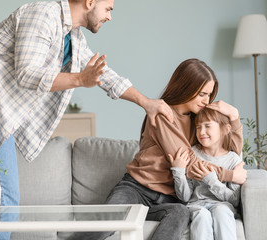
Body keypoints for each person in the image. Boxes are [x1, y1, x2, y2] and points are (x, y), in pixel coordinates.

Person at [0, 1, 173, 240]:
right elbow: (27, 72)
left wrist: (146, 103)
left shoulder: (73, 38)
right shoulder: (43, 14)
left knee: (7, 198)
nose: (110, 16)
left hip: (1, 114)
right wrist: (79, 79)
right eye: (108, 8)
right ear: (89, 2)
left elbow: (106, 77)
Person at [68, 58, 247, 240]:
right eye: (202, 94)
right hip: (136, 189)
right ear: (187, 88)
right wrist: (229, 175)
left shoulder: (199, 122)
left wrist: (234, 117)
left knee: (180, 214)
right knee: (108, 223)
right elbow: (192, 165)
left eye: (209, 95)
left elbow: (231, 151)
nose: (207, 101)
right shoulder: (162, 113)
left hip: (171, 197)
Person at [170, 107, 242, 240]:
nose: (201, 132)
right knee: (202, 215)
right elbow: (185, 198)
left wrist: (211, 180)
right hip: (196, 205)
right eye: (198, 127)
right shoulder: (192, 154)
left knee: (221, 211)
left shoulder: (233, 160)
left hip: (222, 205)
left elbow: (234, 199)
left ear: (225, 129)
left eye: (207, 126)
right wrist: (178, 172)